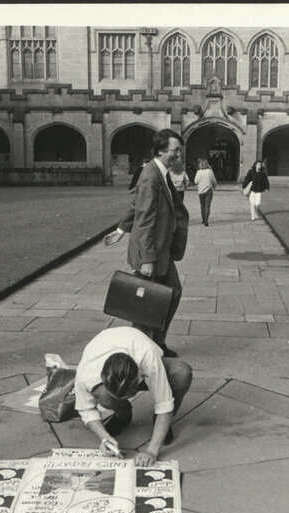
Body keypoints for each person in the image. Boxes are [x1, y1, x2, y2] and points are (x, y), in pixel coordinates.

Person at [104, 129, 188, 357]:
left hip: (162, 250)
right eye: (175, 151)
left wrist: (121, 230)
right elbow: (146, 220)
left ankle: (156, 343)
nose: (179, 156)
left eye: (180, 150)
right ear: (161, 150)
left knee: (169, 294)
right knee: (145, 301)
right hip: (152, 253)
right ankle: (136, 352)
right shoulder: (152, 175)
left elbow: (135, 204)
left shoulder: (158, 172)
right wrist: (147, 260)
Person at [74, 326, 193, 467]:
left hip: (140, 352)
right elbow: (86, 410)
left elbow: (164, 403)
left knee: (182, 372)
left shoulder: (147, 356)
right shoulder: (85, 373)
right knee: (103, 395)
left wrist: (152, 451)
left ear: (141, 375)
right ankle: (123, 416)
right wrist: (104, 437)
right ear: (102, 377)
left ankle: (160, 422)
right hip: (112, 355)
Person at [193, 157, 218, 226]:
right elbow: (213, 180)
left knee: (202, 206)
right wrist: (214, 186)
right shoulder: (210, 171)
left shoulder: (198, 172)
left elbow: (195, 181)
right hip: (208, 191)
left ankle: (203, 219)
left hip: (201, 191)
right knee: (207, 206)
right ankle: (206, 220)